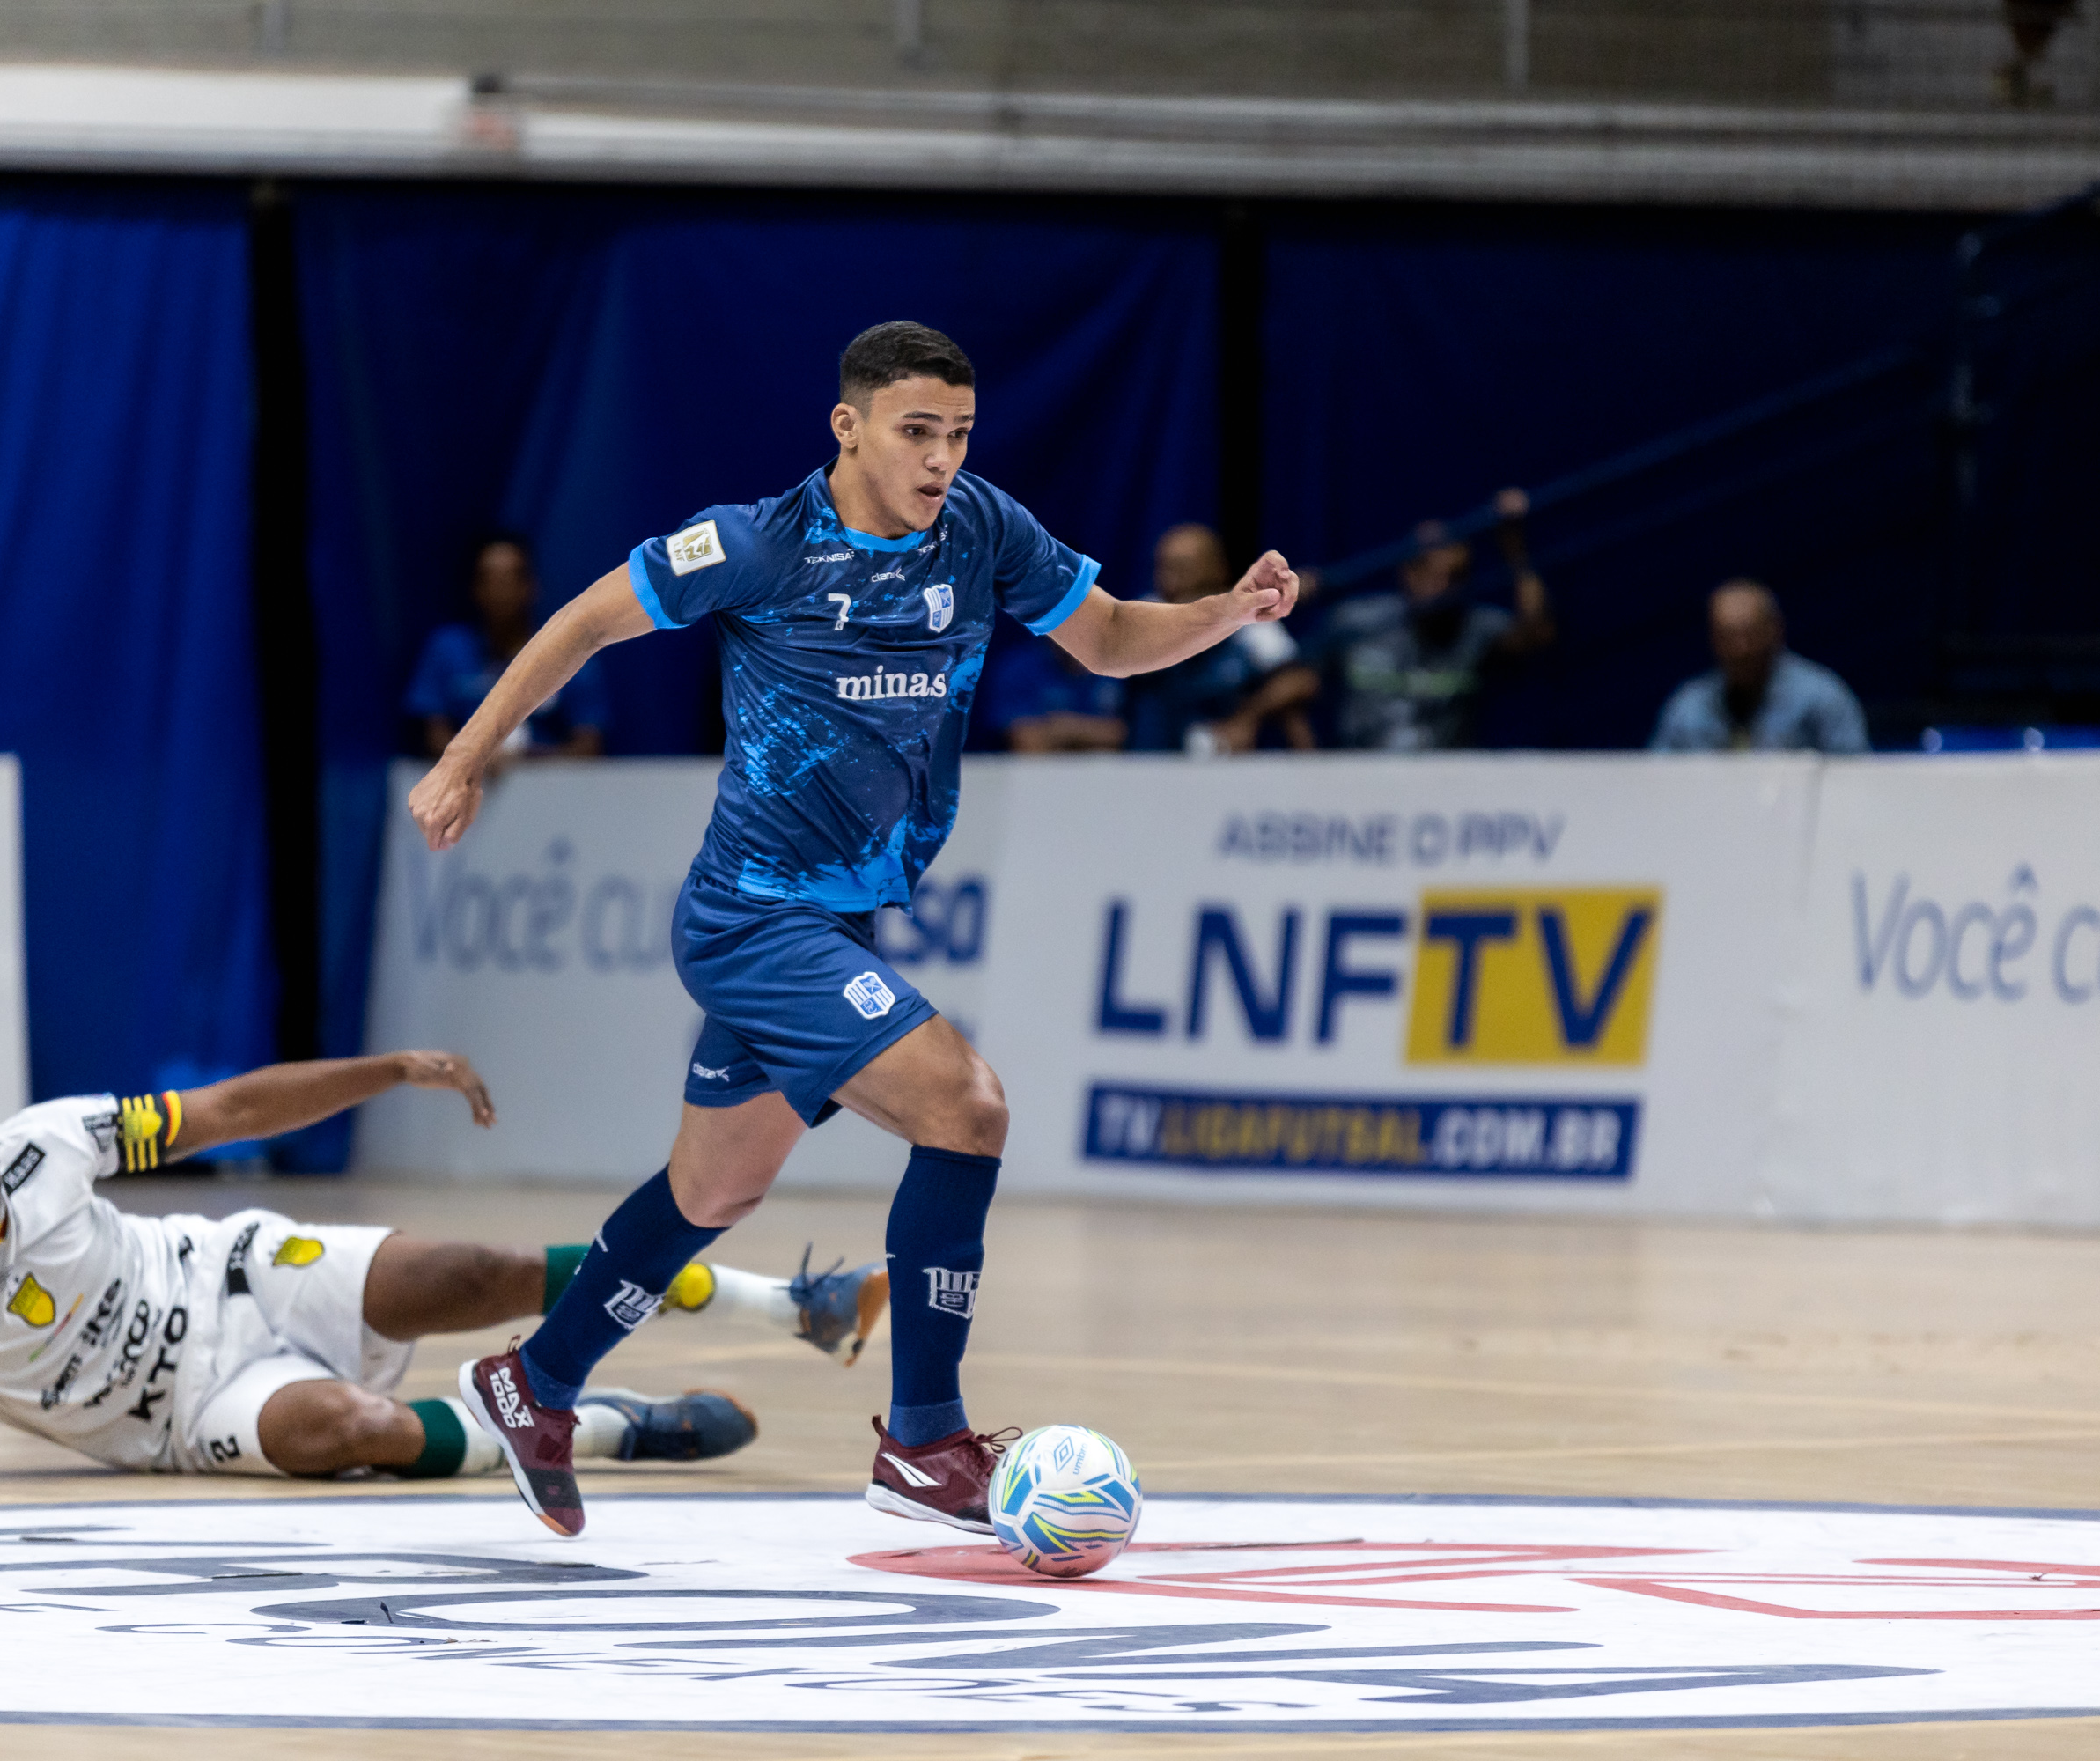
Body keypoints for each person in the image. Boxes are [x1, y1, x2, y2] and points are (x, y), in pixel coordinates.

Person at [408, 320, 1300, 1537]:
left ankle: (533, 1382)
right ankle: (924, 1441)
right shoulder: (759, 543)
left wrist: (1227, 612)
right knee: (967, 1106)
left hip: (838, 923)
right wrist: (465, 761)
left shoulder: (983, 528)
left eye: (959, 434)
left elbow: (1108, 639)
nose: (940, 459)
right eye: (916, 433)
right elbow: (581, 625)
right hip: (752, 919)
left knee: (715, 1191)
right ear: (850, 427)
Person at [0, 1052, 888, 1498]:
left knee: (476, 1270)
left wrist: (387, 1072)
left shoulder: (52, 1144)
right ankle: (605, 1429)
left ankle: (797, 1309)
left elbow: (230, 1110)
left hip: (236, 1274)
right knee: (354, 1431)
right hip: (192, 1410)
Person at [1280, 488, 1555, 751]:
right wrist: (1310, 766)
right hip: (1359, 781)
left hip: (1446, 786)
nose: (1443, 587)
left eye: (1456, 576)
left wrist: (1515, 550)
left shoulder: (1476, 627)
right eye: (1431, 574)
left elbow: (1537, 634)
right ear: (1407, 573)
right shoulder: (1355, 622)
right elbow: (1291, 684)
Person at [405, 534, 608, 761]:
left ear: (530, 586)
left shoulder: (571, 652)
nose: (500, 591)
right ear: (475, 588)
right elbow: (433, 736)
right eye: (490, 580)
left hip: (551, 786)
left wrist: (524, 761)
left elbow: (589, 745)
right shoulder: (447, 648)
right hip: (471, 782)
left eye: (509, 579)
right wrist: (476, 758)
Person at [1125, 522, 1315, 754]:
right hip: (1150, 756)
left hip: (1225, 752)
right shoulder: (1144, 612)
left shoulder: (1249, 619)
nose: (1171, 580)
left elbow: (1299, 681)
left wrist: (1245, 718)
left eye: (1183, 569)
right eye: (1164, 568)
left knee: (1292, 715)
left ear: (1218, 569)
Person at [1650, 578, 1868, 754]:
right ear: (1712, 639)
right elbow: (1657, 784)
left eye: (1750, 634)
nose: (1741, 649)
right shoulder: (1687, 708)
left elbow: (1853, 781)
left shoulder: (1822, 699)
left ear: (1776, 630)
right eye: (1728, 636)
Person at [977, 636, 1129, 752]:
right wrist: (1090, 732)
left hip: (1103, 776)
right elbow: (1026, 741)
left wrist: (1061, 726)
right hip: (1032, 778)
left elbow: (1118, 735)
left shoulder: (1112, 668)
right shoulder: (1020, 669)